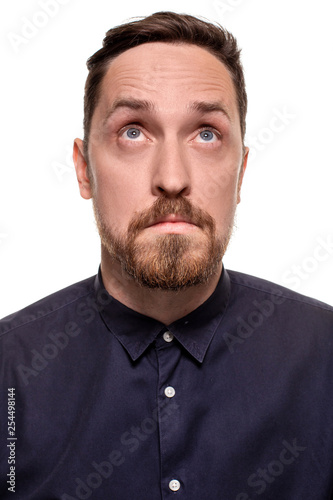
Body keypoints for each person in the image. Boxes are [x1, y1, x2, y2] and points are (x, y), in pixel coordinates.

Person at [1, 11, 332, 500]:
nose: (172, 178)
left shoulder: (325, 358)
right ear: (84, 170)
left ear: (240, 174)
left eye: (206, 133)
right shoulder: (9, 371)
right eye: (133, 131)